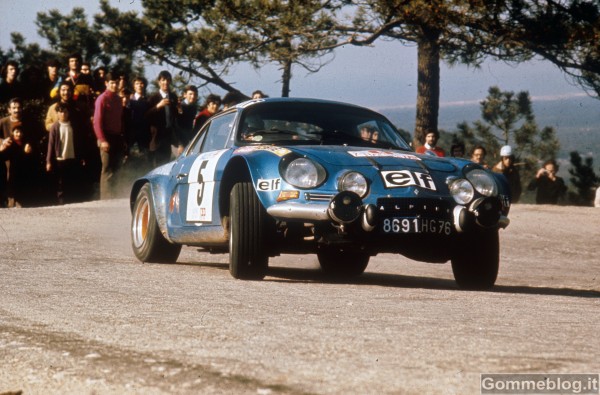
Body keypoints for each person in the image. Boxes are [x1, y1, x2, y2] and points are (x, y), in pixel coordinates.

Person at [46, 103, 88, 204]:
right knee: (61, 182)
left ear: (68, 113)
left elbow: (78, 141)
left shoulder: (73, 125)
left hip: (72, 157)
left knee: (72, 180)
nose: (63, 114)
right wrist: (48, 161)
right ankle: (61, 202)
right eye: (60, 112)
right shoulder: (55, 127)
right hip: (60, 159)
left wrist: (81, 156)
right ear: (57, 113)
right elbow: (51, 144)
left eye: (65, 111)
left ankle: (72, 201)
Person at [93, 72, 124, 199]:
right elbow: (96, 122)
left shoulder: (118, 99)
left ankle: (114, 196)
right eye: (111, 83)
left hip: (117, 137)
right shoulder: (102, 98)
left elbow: (120, 120)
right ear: (106, 83)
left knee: (117, 169)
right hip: (105, 137)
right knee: (107, 169)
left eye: (116, 83)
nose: (114, 85)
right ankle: (105, 198)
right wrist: (102, 140)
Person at [145, 70, 182, 166]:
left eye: (168, 80)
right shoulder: (153, 98)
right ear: (159, 82)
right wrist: (158, 106)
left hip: (169, 134)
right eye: (163, 80)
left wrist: (179, 110)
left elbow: (177, 118)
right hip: (157, 136)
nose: (165, 82)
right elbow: (146, 116)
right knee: (156, 163)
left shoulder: (173, 97)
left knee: (166, 163)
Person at [0, 122, 36, 207]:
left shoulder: (26, 142)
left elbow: (32, 156)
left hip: (24, 170)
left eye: (20, 132)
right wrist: (1, 150)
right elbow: (4, 157)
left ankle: (21, 204)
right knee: (12, 188)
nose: (18, 134)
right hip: (13, 170)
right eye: (16, 132)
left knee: (22, 188)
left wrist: (29, 152)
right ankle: (11, 204)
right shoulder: (10, 142)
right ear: (13, 133)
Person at [127, 76, 151, 158]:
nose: (139, 85)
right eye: (137, 83)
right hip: (131, 132)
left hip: (145, 133)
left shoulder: (149, 100)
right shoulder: (129, 100)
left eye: (141, 83)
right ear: (133, 86)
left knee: (145, 157)